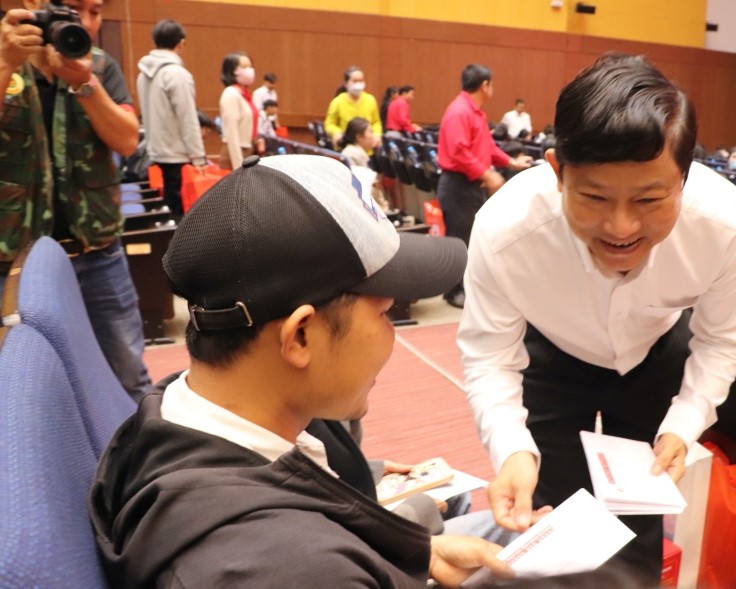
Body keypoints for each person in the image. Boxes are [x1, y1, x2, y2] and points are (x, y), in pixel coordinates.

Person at [89, 154, 521, 588]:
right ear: (299, 336)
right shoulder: (293, 569)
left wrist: (414, 550)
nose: (391, 335)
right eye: (385, 313)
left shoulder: (171, 409)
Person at [458, 53, 736, 583]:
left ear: (685, 178)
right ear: (557, 172)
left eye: (649, 199)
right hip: (550, 358)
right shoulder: (505, 229)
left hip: (655, 355)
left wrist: (686, 422)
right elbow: (489, 353)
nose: (621, 227)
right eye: (594, 197)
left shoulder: (725, 225)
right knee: (551, 519)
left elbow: (723, 338)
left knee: (636, 526)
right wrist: (510, 447)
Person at [0, 0, 151, 401]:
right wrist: (5, 65)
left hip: (98, 255)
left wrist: (85, 84)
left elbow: (128, 140)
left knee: (129, 377)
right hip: (12, 264)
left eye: (95, 11)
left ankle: (140, 444)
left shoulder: (100, 65)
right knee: (22, 388)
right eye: (70, 8)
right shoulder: (4, 55)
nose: (85, 22)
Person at [436, 64, 533, 308]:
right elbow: (458, 152)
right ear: (485, 85)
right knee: (459, 240)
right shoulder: (460, 111)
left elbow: (487, 147)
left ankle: (466, 287)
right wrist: (487, 174)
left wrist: (511, 162)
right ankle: (454, 291)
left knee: (471, 238)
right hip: (458, 184)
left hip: (471, 185)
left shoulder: (475, 112)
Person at [136, 19, 208, 218]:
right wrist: (198, 157)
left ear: (154, 42)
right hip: (177, 157)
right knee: (184, 216)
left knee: (167, 211)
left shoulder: (142, 75)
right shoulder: (177, 74)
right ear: (181, 43)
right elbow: (188, 118)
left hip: (155, 154)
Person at [218, 51, 257, 170]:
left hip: (246, 150)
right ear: (232, 71)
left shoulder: (244, 95)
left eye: (250, 66)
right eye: (244, 67)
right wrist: (238, 166)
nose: (249, 70)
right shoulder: (231, 94)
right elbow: (232, 133)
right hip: (234, 153)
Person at [324, 66, 381, 147]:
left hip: (366, 149)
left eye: (361, 80)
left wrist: (377, 134)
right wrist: (336, 132)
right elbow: (329, 124)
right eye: (355, 81)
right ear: (346, 84)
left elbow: (376, 122)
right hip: (345, 147)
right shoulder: (337, 102)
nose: (358, 84)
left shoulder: (370, 100)